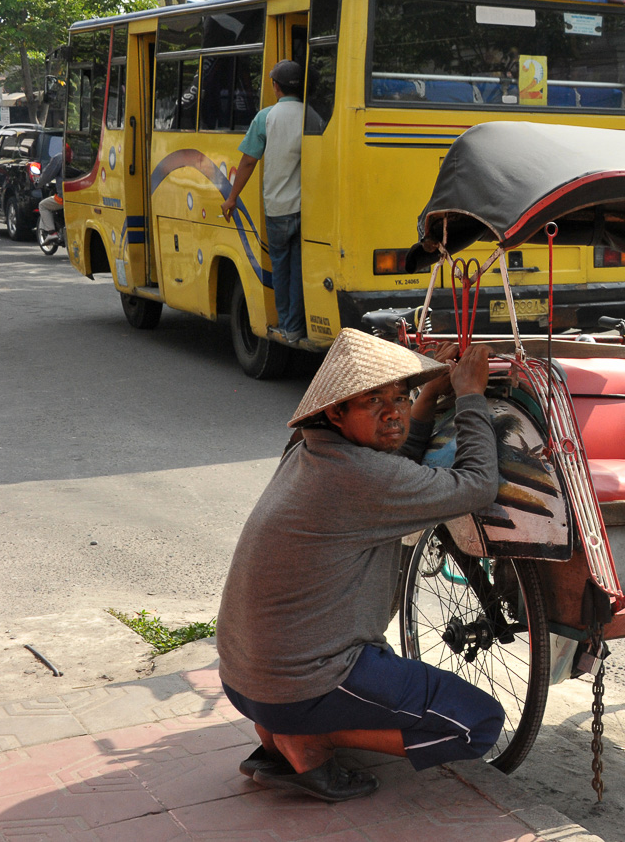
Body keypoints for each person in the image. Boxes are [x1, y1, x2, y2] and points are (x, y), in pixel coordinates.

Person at [216, 329, 503, 802]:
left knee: (372, 678)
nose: (393, 411)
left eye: (400, 396)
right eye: (373, 400)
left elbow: (398, 470)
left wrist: (429, 392)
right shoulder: (359, 477)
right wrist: (471, 396)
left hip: (246, 680)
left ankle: (283, 731)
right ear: (335, 411)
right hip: (298, 683)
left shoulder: (309, 450)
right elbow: (476, 486)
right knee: (478, 725)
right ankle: (308, 740)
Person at [223, 60, 306, 342]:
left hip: (278, 210)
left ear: (275, 86)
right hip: (305, 210)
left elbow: (248, 162)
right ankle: (299, 325)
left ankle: (288, 326)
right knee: (299, 269)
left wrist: (232, 198)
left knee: (281, 269)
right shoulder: (313, 116)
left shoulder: (266, 118)